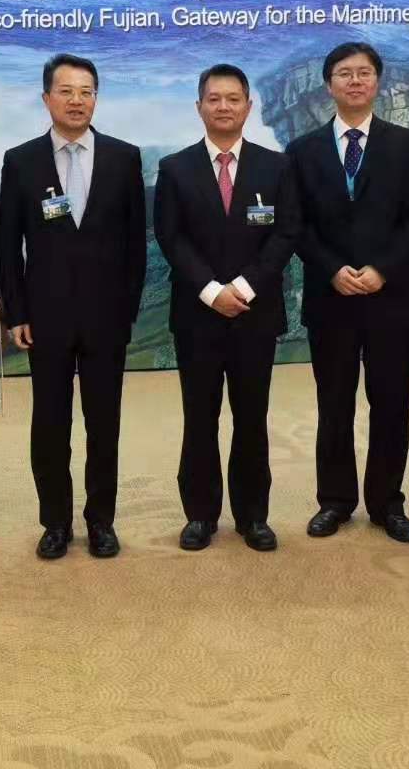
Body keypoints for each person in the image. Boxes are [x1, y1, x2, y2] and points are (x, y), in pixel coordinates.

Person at [0, 53, 146, 560]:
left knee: (104, 423)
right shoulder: (21, 160)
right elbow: (9, 245)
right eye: (66, 91)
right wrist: (16, 313)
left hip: (107, 318)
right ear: (47, 98)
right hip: (46, 318)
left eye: (86, 92)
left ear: (96, 99)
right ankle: (55, 523)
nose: (76, 101)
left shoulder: (124, 157)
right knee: (50, 424)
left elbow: (135, 245)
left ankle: (101, 521)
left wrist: (127, 310)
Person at [286, 42, 409, 544]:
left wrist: (383, 269)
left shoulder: (405, 144)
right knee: (334, 405)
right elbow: (296, 225)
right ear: (329, 84)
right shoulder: (302, 150)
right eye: (344, 73)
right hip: (331, 300)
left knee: (390, 404)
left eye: (364, 73)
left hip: (391, 299)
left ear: (377, 82)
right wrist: (331, 270)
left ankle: (388, 503)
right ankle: (335, 501)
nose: (355, 81)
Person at [153, 64, 299, 553]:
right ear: (199, 107)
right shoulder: (175, 168)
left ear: (248, 107)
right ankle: (200, 515)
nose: (223, 107)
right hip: (197, 315)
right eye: (214, 99)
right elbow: (171, 237)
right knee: (200, 418)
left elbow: (285, 234)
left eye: (233, 99)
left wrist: (244, 286)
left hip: (255, 314)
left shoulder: (276, 167)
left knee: (252, 418)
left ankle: (253, 516)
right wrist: (211, 290)